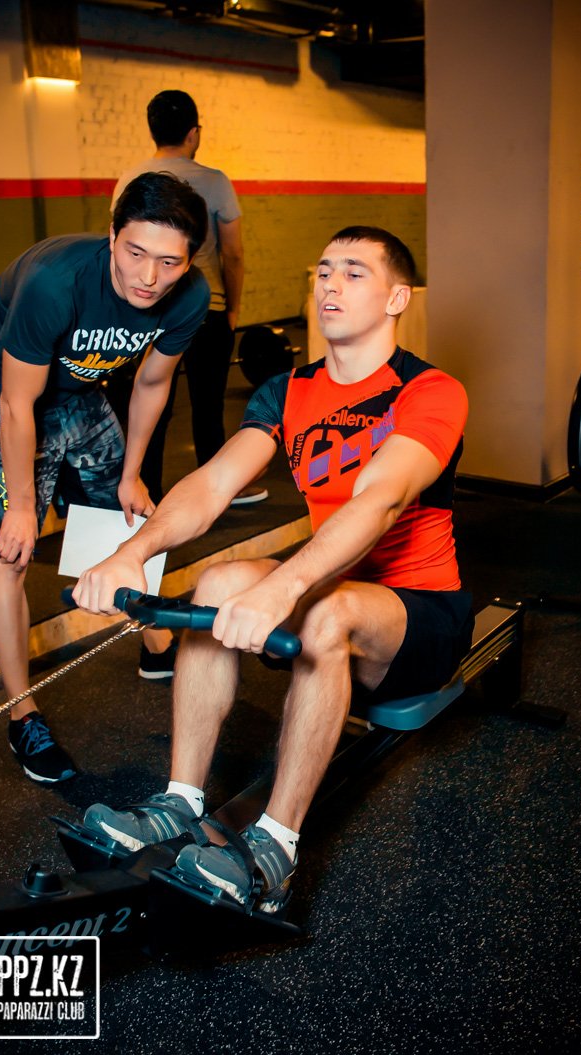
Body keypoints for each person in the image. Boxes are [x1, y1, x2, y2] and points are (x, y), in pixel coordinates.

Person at [72, 225, 475, 914]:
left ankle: (277, 847)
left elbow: (380, 500)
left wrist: (284, 586)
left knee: (326, 612)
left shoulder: (429, 390)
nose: (330, 284)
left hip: (420, 612)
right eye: (324, 270)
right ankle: (179, 800)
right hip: (334, 582)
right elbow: (213, 483)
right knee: (218, 583)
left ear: (396, 298)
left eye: (353, 272)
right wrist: (131, 552)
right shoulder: (288, 390)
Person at [0, 172, 210, 784]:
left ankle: (155, 648)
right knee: (10, 553)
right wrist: (23, 506)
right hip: (3, 400)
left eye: (169, 262)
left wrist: (131, 474)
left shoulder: (189, 296)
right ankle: (22, 714)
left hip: (81, 393)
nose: (148, 277)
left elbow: (152, 382)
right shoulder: (55, 283)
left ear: (189, 261)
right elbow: (18, 403)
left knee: (127, 524)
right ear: (112, 235)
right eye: (135, 252)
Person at [106, 89, 267, 507]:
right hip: (206, 308)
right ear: (194, 133)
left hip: (147, 313)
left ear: (152, 131)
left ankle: (146, 493)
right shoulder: (214, 181)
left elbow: (122, 249)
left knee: (149, 403)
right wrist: (232, 308)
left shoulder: (130, 179)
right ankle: (216, 493)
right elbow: (233, 253)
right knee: (207, 405)